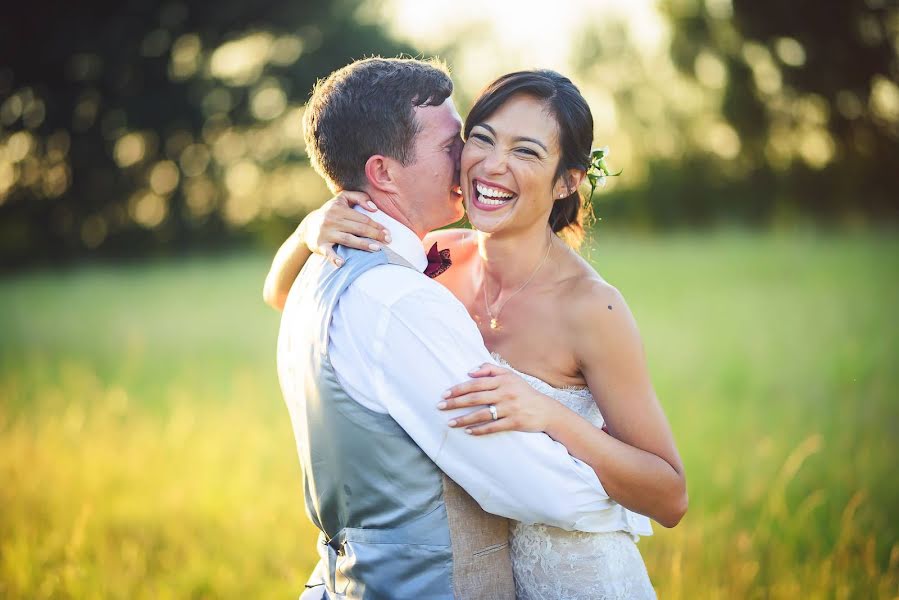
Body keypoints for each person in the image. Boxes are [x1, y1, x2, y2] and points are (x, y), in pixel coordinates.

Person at [268, 67, 688, 599]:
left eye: (527, 152)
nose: (492, 166)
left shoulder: (591, 307)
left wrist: (550, 413)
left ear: (568, 181)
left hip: (578, 574)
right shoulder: (437, 260)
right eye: (480, 139)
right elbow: (296, 298)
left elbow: (669, 495)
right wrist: (309, 231)